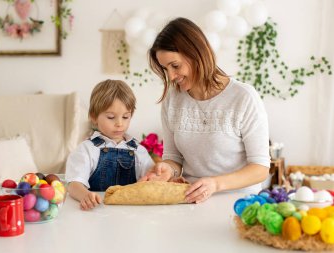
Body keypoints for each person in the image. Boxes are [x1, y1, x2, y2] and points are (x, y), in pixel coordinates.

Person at [140, 17, 270, 203]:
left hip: (240, 205)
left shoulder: (243, 97)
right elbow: (173, 158)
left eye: (175, 66)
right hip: (191, 201)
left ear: (196, 54)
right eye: (165, 68)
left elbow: (260, 168)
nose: (170, 76)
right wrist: (168, 170)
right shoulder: (172, 100)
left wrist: (215, 184)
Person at [66, 79, 155, 210]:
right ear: (94, 116)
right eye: (111, 117)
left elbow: (153, 179)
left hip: (131, 213)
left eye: (125, 117)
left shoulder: (138, 150)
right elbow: (74, 184)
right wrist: (85, 195)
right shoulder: (86, 149)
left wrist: (156, 178)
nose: (119, 123)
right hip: (97, 211)